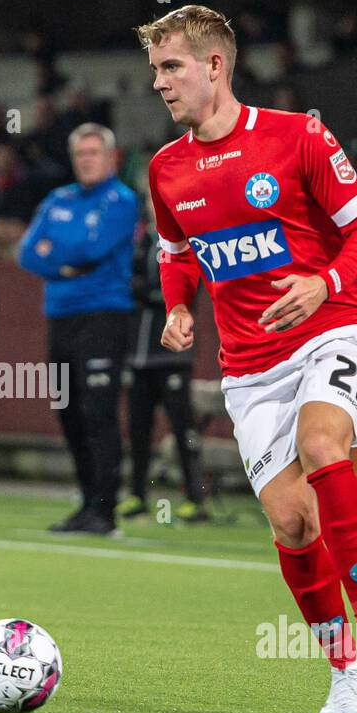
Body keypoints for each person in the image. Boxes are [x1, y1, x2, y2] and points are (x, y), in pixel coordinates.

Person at [139, 5, 357, 713]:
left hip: (333, 326)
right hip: (250, 366)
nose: (159, 83)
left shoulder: (297, 136)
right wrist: (179, 307)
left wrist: (324, 281)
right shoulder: (166, 169)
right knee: (290, 523)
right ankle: (345, 668)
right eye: (156, 70)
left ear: (215, 66)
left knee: (324, 443)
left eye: (172, 68)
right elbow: (175, 251)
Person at [17, 123, 139, 535]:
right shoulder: (58, 198)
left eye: (93, 152)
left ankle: (105, 511)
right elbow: (28, 253)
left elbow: (93, 248)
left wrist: (60, 254)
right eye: (80, 153)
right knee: (68, 413)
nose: (86, 160)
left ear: (111, 157)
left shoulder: (121, 200)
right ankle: (86, 503)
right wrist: (66, 262)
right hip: (61, 317)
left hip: (104, 316)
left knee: (99, 411)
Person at [119, 190, 208, 523]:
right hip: (140, 354)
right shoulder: (142, 243)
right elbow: (131, 284)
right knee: (138, 429)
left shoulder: (185, 244)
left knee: (183, 428)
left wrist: (143, 290)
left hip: (172, 354)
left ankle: (195, 497)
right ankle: (137, 495)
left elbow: (179, 291)